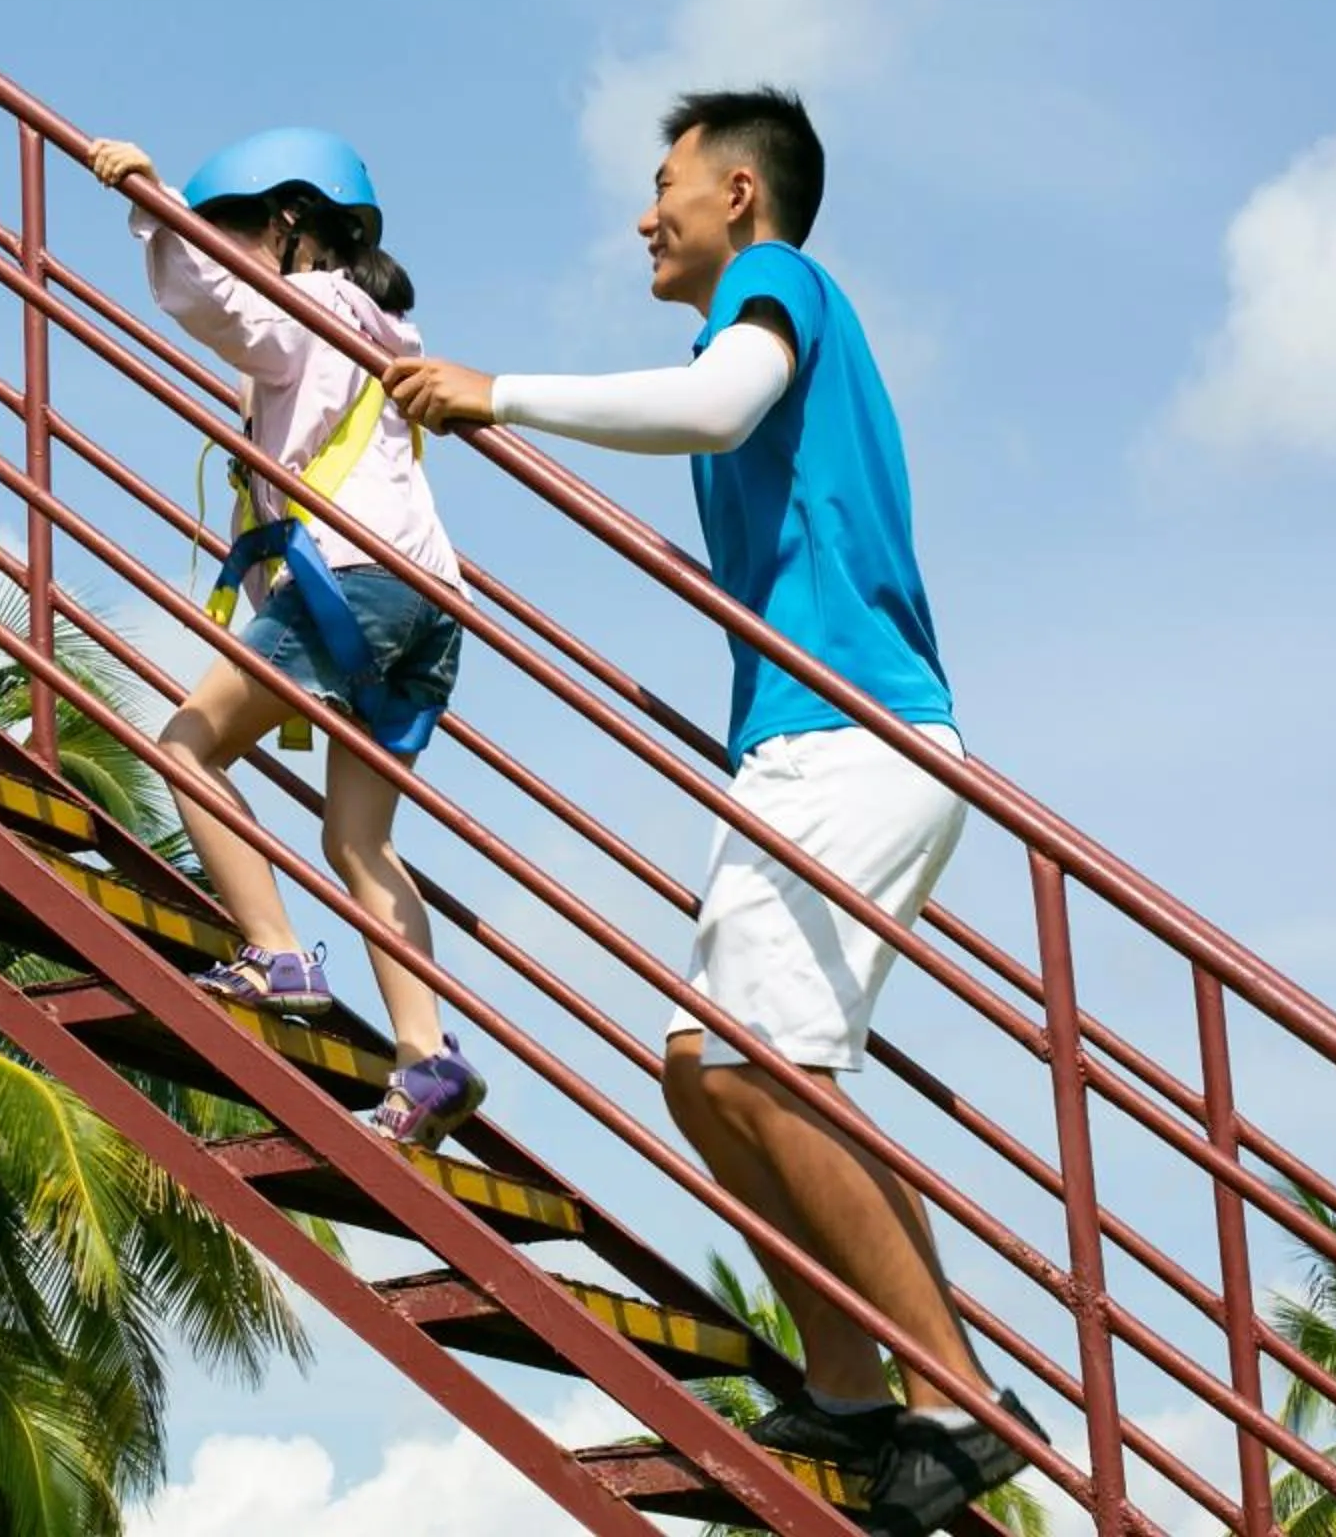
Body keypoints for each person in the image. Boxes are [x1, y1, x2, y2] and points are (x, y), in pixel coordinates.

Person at [387, 88, 1039, 1535]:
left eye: (665, 181)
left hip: (850, 734)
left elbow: (716, 408)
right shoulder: (760, 304)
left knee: (764, 1065)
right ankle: (853, 1383)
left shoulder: (778, 282)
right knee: (701, 1067)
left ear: (738, 195)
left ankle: (961, 1402)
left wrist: (501, 393)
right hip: (806, 744)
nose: (644, 212)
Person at [86, 127, 486, 1150]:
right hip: (423, 597)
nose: (218, 249)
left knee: (186, 742)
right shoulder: (378, 330)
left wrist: (153, 199)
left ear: (292, 226)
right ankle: (426, 1052)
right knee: (357, 838)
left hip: (351, 583)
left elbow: (214, 302)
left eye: (233, 231)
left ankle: (274, 950)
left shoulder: (309, 309)